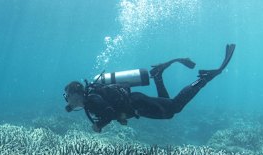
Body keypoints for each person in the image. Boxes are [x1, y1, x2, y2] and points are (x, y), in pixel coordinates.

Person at [64, 44, 236, 132]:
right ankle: (158, 75)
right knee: (168, 109)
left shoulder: (92, 100)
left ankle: (204, 79)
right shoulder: (91, 99)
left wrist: (98, 125)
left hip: (137, 103)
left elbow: (108, 112)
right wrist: (120, 117)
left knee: (174, 108)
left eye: (67, 96)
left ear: (75, 94)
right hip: (136, 104)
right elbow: (112, 109)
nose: (67, 100)